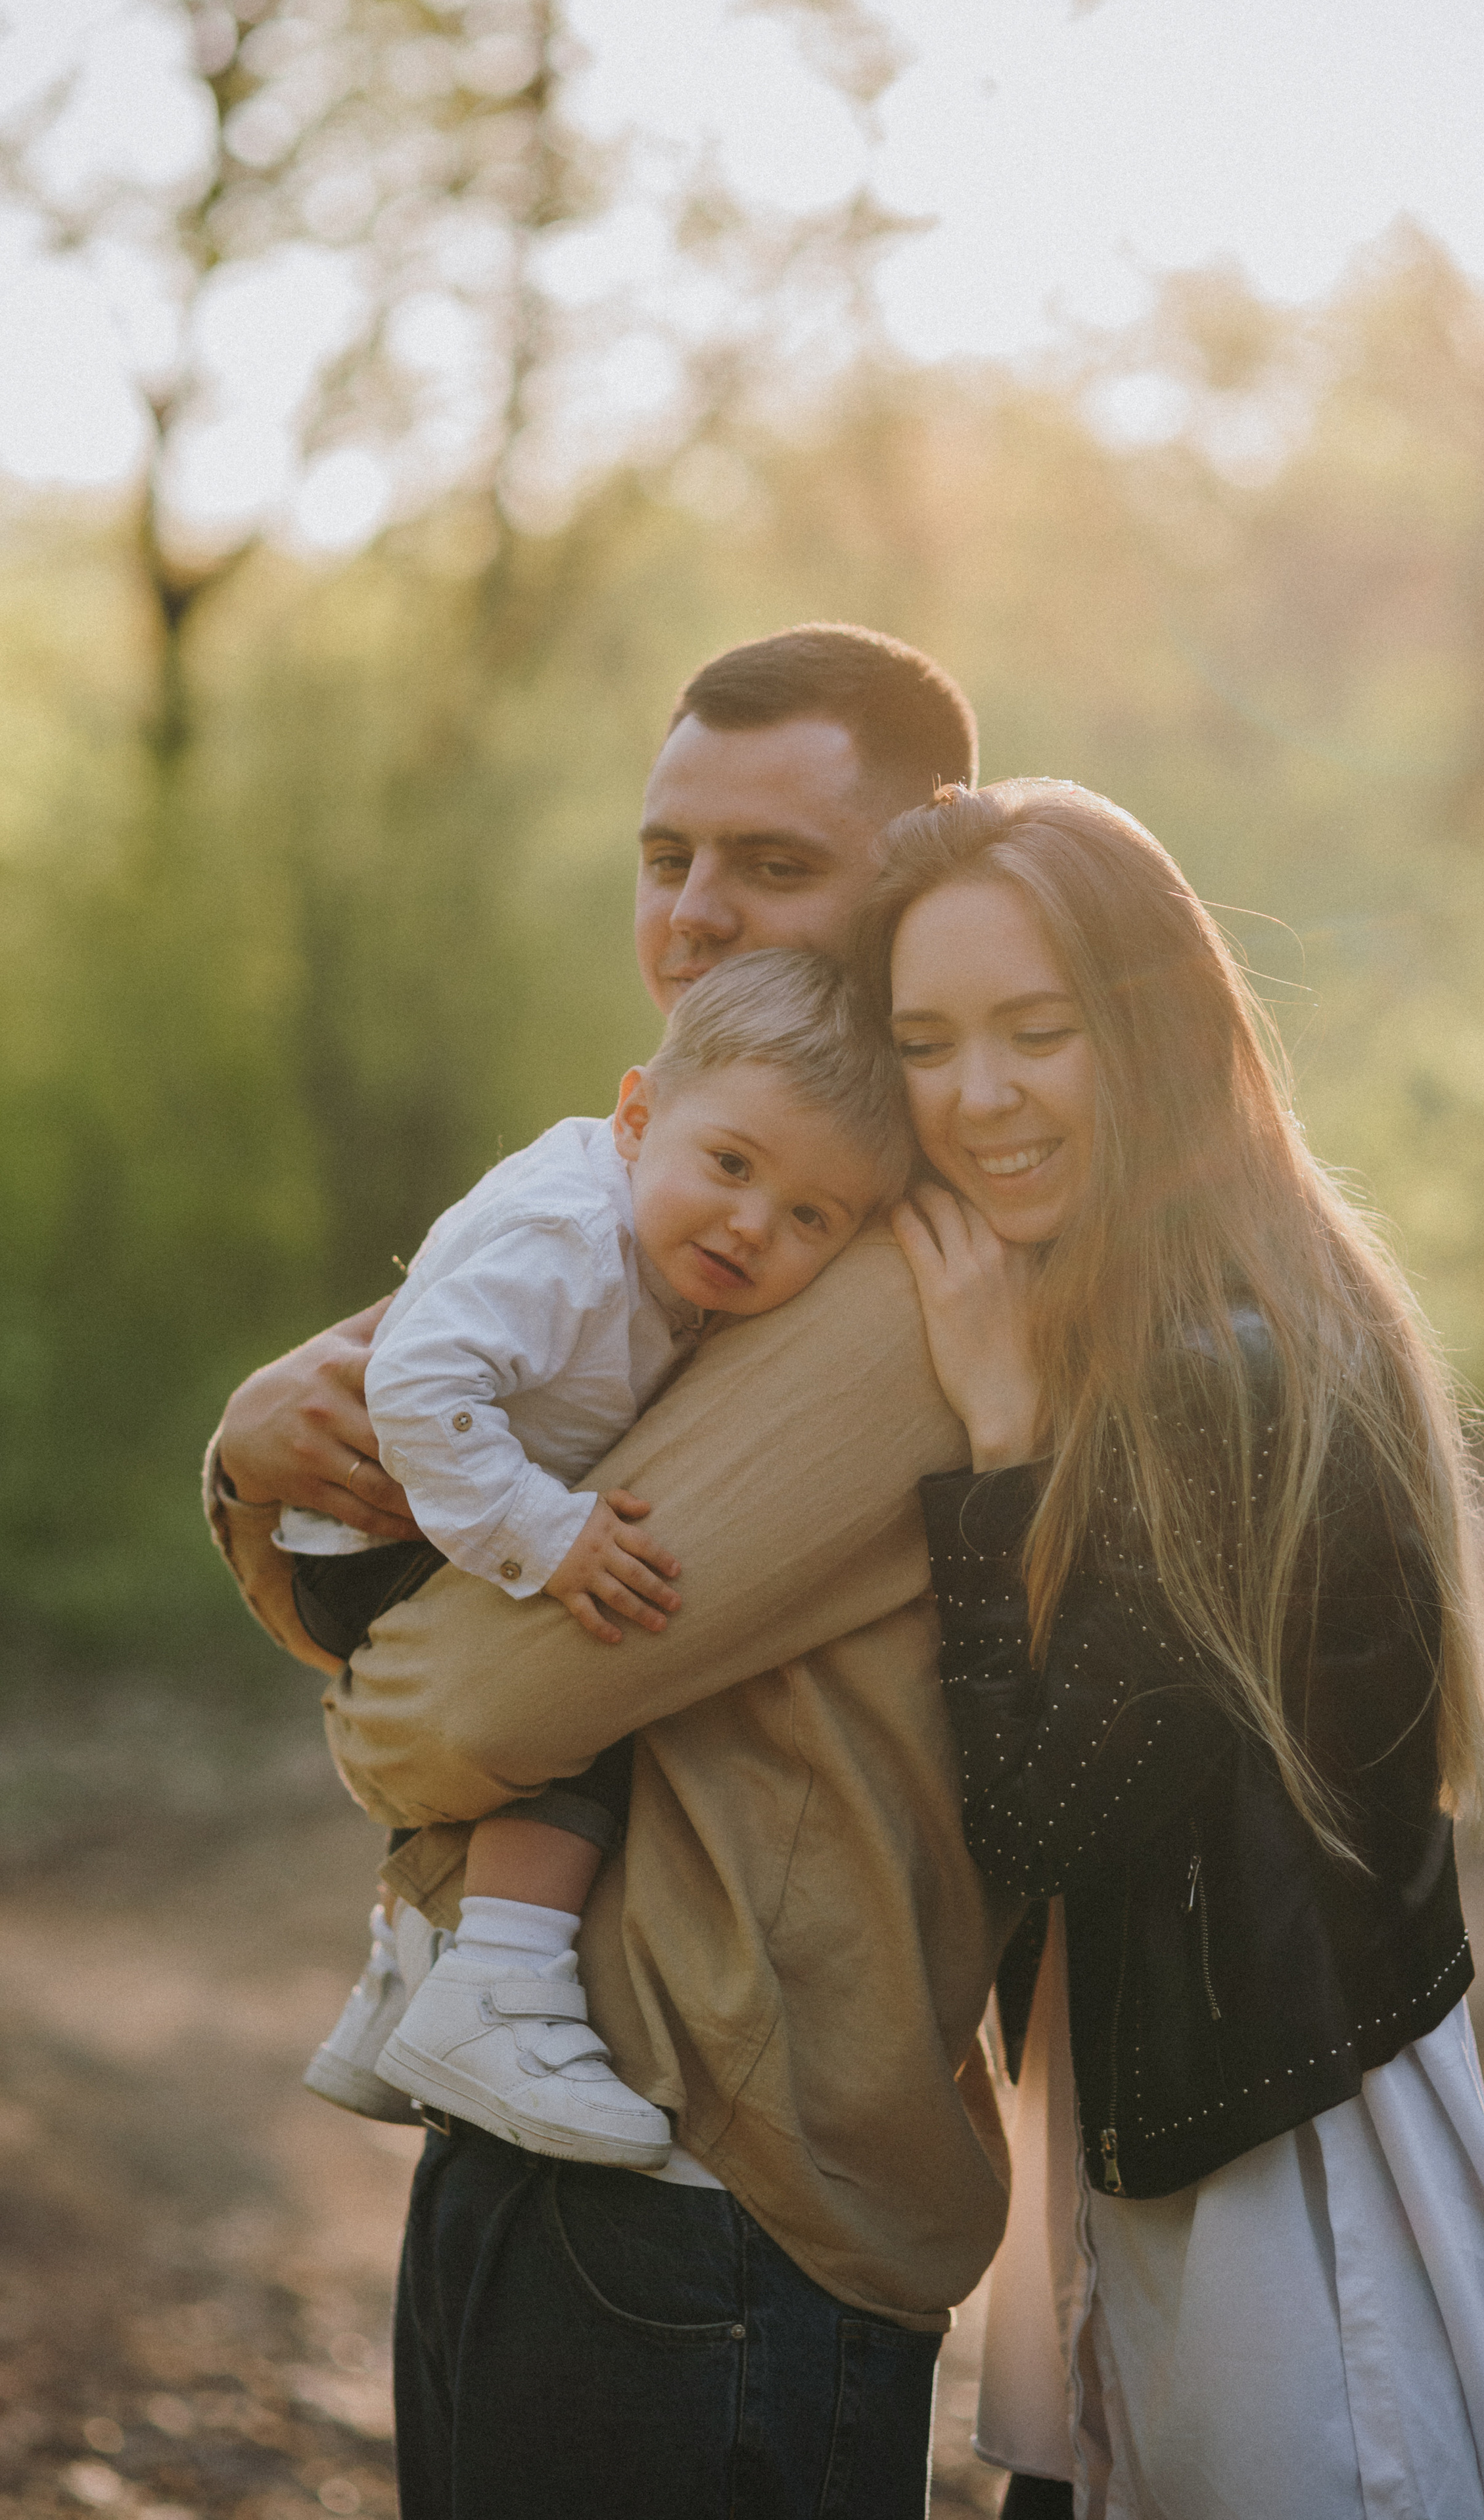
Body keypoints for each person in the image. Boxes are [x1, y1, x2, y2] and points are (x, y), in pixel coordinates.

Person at [204, 625, 1014, 2518]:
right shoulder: (655, 1199)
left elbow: (463, 1699)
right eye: (670, 860)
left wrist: (375, 1717)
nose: (700, 917)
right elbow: (343, 1483)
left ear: (923, 870)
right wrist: (248, 1448)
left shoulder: (893, 1259)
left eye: (776, 866)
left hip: (719, 2162)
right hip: (583, 2107)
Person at [858, 778, 1484, 2520]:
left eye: (1038, 1029)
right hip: (1175, 2135)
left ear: (1150, 1031)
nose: (981, 1095)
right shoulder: (1220, 1303)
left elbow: (1038, 1820)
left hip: (1281, 2188)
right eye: (928, 1043)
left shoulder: (1221, 1364)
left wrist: (993, 1462)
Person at [292, 949, 909, 2167]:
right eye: (732, 1165)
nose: (751, 1224)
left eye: (810, 1218)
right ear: (637, 1115)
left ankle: (400, 1974)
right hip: (382, 1525)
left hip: (444, 1497)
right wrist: (544, 1528)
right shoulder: (569, 1235)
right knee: (608, 1661)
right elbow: (416, 1381)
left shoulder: (650, 1221)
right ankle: (499, 1991)